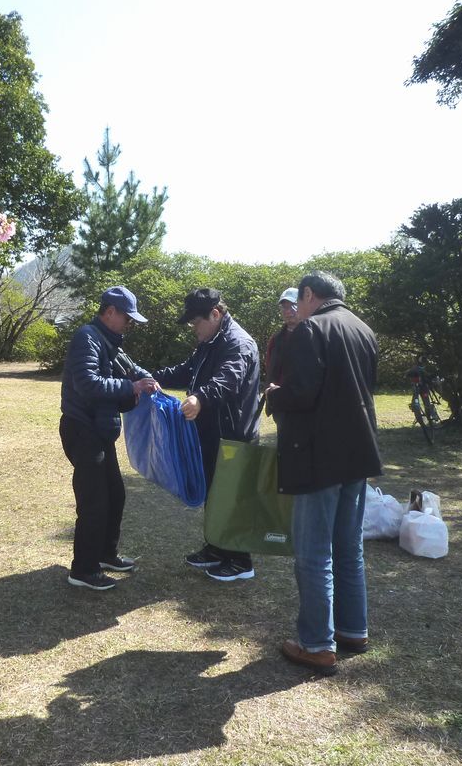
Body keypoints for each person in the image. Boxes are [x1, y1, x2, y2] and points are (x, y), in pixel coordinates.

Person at [266, 271, 382, 676]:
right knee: (349, 547)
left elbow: (302, 392)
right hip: (358, 453)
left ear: (309, 295)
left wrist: (275, 395)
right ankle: (353, 630)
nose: (296, 309)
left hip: (319, 455)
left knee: (313, 553)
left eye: (299, 300)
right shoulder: (364, 329)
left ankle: (316, 644)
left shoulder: (311, 329)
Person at [152, 288, 261, 582]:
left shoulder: (238, 343)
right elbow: (187, 370)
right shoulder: (209, 342)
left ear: (215, 314)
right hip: (212, 434)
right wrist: (151, 378)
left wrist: (200, 397)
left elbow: (229, 379)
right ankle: (216, 547)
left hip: (234, 436)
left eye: (195, 322)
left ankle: (240, 561)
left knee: (233, 497)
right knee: (213, 493)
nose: (193, 328)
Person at [59, 286, 159, 591]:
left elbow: (131, 370)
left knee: (115, 495)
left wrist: (149, 380)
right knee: (94, 501)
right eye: (128, 318)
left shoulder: (110, 341)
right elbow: (88, 383)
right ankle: (83, 569)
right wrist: (132, 388)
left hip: (100, 430)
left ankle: (105, 554)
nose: (130, 324)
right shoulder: (86, 337)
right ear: (111, 312)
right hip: (82, 429)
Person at [265, 287, 300, 389]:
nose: (288, 311)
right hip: (275, 395)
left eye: (293, 306)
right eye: (284, 307)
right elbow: (269, 368)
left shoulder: (311, 337)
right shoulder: (276, 339)